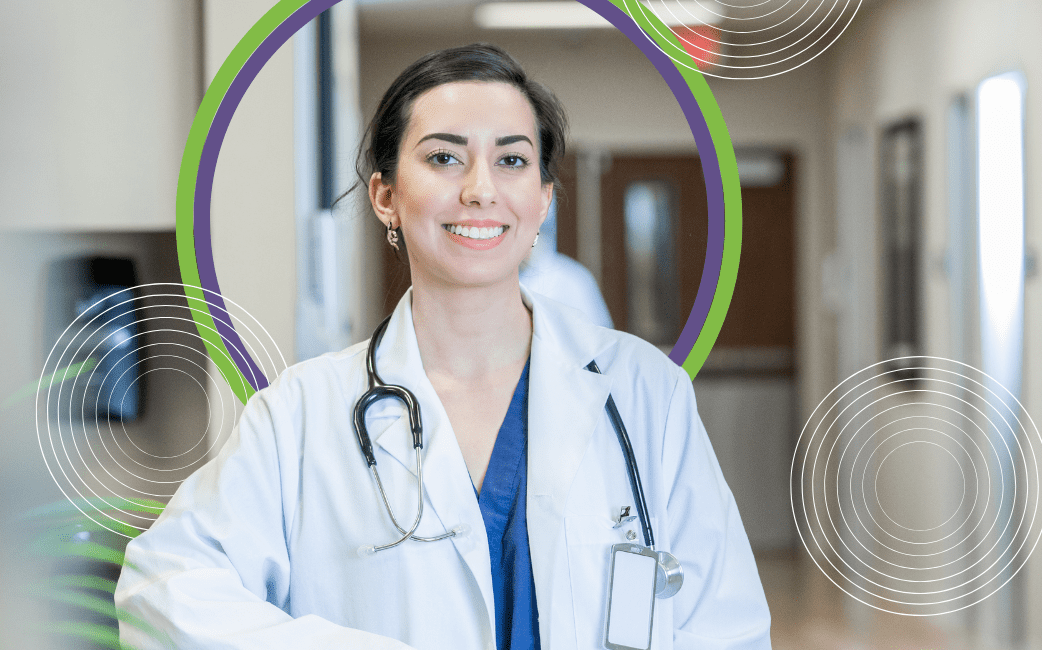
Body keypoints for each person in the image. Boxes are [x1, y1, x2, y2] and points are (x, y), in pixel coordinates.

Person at [116, 43, 771, 650]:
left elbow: (726, 624)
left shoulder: (643, 392)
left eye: (512, 160)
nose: (480, 189)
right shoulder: (300, 415)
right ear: (385, 197)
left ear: (543, 199)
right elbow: (162, 588)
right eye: (443, 157)